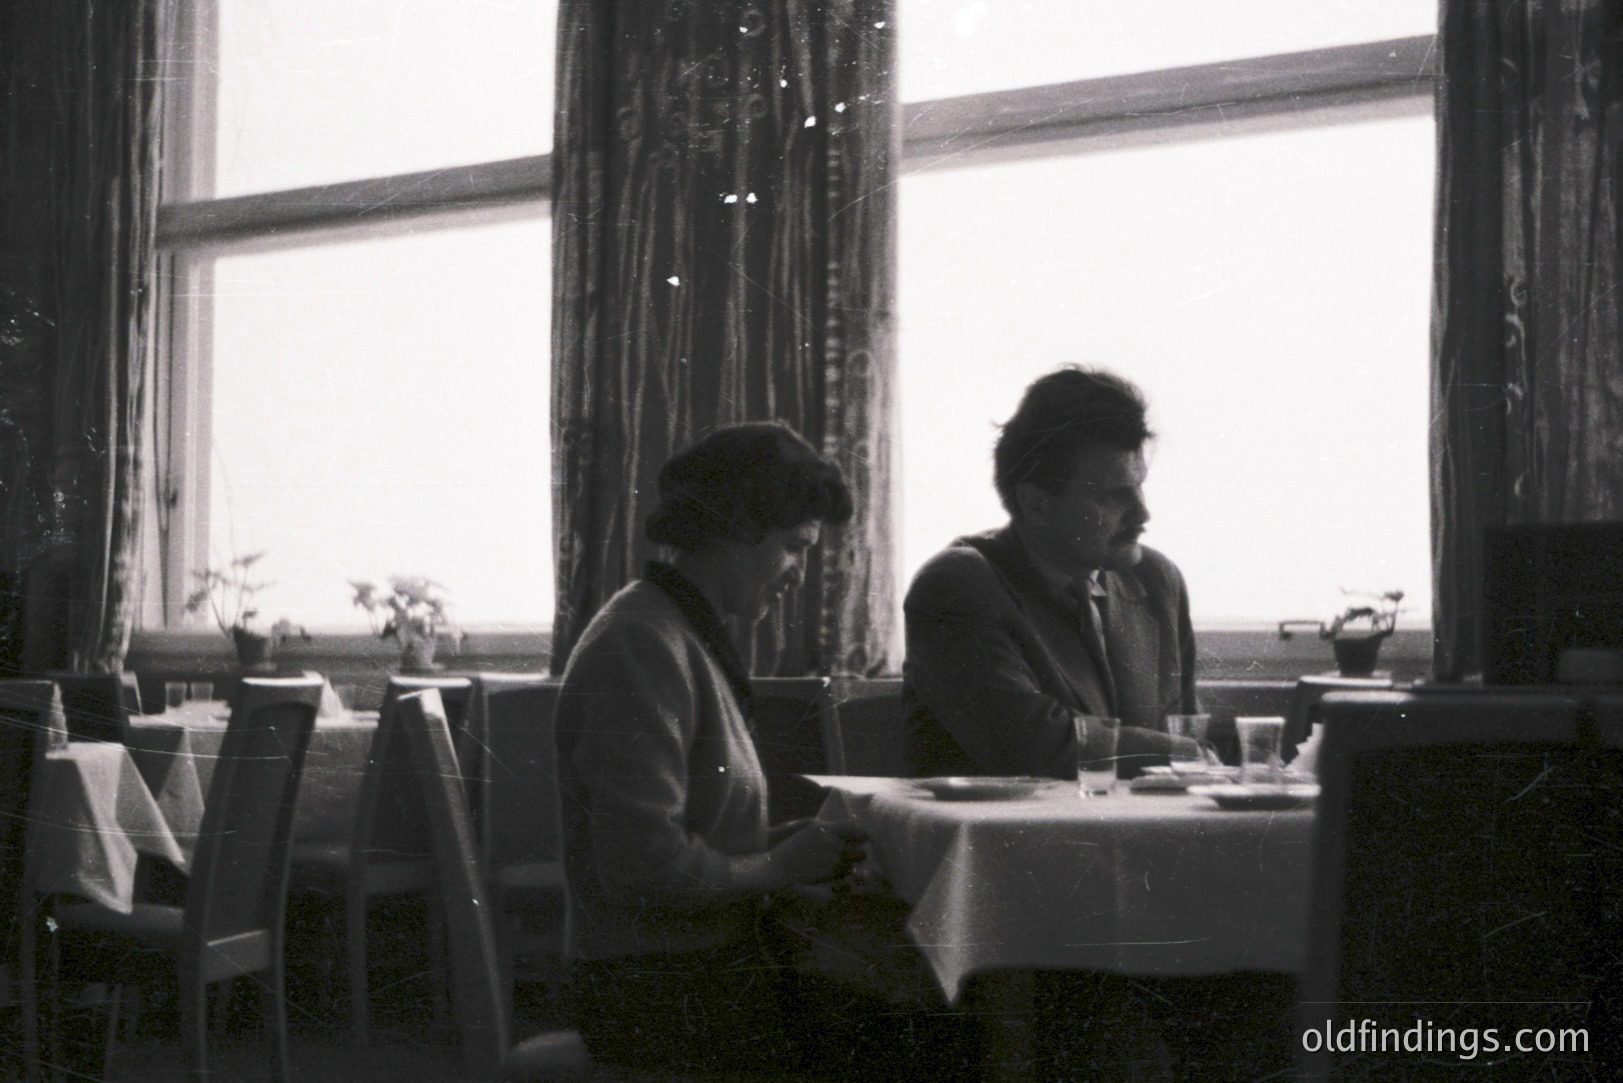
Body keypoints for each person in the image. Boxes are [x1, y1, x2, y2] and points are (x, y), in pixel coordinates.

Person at [554, 421, 869, 1074]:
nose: (797, 574)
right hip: (656, 988)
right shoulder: (639, 643)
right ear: (733, 527)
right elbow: (643, 867)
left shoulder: (676, 632)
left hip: (690, 966)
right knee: (899, 1026)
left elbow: (691, 828)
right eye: (792, 547)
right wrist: (779, 866)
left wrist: (783, 843)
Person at [902, 365, 1200, 779]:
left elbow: (1181, 732)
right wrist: (1190, 755)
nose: (1143, 513)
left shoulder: (1157, 580)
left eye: (1140, 486)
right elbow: (1033, 746)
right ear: (1037, 504)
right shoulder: (957, 586)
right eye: (1114, 496)